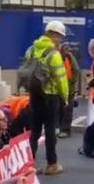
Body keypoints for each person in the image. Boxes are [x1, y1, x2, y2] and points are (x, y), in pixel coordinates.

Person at [26, 20, 69, 175]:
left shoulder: (31, 50)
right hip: (50, 97)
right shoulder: (54, 54)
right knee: (50, 130)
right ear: (54, 35)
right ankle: (52, 164)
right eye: (60, 37)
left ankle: (28, 165)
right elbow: (61, 79)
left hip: (34, 95)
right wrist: (65, 97)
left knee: (34, 131)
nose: (60, 40)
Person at [57, 43, 81, 138]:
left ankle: (65, 129)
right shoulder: (57, 58)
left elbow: (76, 70)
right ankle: (59, 127)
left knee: (67, 110)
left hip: (68, 88)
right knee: (59, 109)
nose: (67, 51)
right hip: (59, 88)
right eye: (65, 49)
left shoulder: (69, 58)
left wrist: (72, 83)